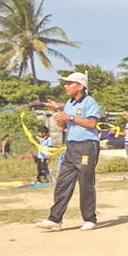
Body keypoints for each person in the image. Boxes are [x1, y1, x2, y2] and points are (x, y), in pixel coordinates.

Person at [37, 72, 101, 231]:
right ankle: (55, 219)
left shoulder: (89, 102)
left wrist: (70, 117)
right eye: (65, 83)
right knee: (62, 182)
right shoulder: (68, 104)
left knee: (86, 183)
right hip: (71, 145)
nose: (65, 86)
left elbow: (92, 123)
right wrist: (59, 117)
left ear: (80, 86)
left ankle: (90, 218)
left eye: (69, 83)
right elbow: (65, 127)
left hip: (87, 145)